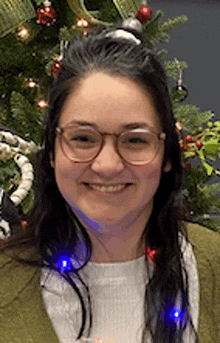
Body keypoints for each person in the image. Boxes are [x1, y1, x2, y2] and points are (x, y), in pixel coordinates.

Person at [0, 20, 220, 343]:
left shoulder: (214, 267)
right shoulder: (5, 286)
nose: (107, 165)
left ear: (167, 154)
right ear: (52, 151)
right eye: (83, 138)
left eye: (134, 140)